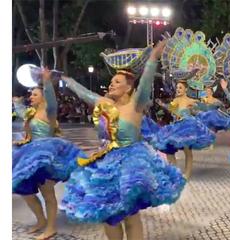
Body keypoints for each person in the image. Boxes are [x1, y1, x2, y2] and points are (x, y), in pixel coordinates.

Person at [60, 41, 186, 240]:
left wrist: (153, 58)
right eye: (112, 81)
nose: (112, 84)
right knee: (108, 215)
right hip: (106, 161)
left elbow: (144, 84)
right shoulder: (104, 104)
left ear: (129, 88)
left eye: (117, 82)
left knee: (130, 215)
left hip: (131, 161)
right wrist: (68, 80)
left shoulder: (136, 105)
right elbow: (86, 94)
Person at [12, 69, 85, 240]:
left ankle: (51, 227)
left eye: (35, 95)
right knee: (25, 191)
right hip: (30, 155)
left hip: (47, 155)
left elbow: (52, 101)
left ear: (43, 96)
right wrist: (15, 102)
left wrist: (46, 82)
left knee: (47, 194)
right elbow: (21, 111)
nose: (31, 97)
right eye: (31, 95)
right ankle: (41, 220)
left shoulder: (49, 112)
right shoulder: (31, 113)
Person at [153, 81, 216, 180]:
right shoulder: (176, 100)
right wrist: (162, 104)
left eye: (180, 88)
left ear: (186, 89)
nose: (178, 89)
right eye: (177, 88)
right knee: (168, 147)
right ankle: (175, 171)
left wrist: (200, 105)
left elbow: (203, 108)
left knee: (187, 151)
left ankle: (187, 174)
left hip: (187, 126)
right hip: (177, 126)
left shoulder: (190, 100)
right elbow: (172, 109)